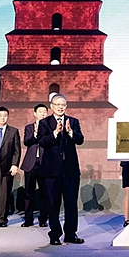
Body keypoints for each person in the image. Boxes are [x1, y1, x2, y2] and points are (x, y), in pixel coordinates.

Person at [38, 93, 85, 245]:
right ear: (51, 106)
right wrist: (55, 133)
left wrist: (70, 132)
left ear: (66, 106)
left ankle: (71, 234)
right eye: (57, 104)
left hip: (70, 170)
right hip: (51, 171)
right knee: (53, 204)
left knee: (71, 203)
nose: (60, 107)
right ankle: (55, 235)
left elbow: (80, 140)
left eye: (63, 104)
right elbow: (42, 141)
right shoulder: (44, 123)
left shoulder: (73, 121)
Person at [20, 104, 49, 227]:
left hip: (45, 163)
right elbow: (27, 142)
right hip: (31, 163)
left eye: (44, 111)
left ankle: (43, 219)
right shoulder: (29, 127)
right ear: (35, 113)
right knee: (28, 193)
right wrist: (35, 135)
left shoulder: (50, 127)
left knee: (44, 193)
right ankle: (28, 219)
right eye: (40, 111)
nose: (42, 113)